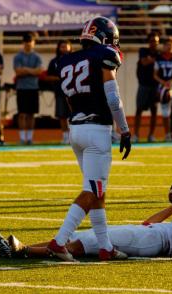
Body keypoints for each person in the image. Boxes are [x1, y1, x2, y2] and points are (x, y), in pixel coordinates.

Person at [48, 16, 132, 262]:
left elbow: (68, 99)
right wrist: (124, 130)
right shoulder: (104, 55)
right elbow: (113, 98)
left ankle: (105, 247)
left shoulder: (65, 60)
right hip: (96, 130)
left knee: (98, 190)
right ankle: (59, 241)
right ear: (106, 38)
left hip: (76, 129)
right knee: (92, 190)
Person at [0, 185, 172, 259]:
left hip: (155, 243)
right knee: (81, 236)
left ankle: (21, 251)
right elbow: (147, 223)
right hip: (148, 234)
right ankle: (22, 247)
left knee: (87, 242)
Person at [14, 32, 43, 145]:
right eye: (26, 42)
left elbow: (39, 71)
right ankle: (22, 138)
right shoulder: (18, 56)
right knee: (22, 114)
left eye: (30, 42)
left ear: (33, 43)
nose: (28, 44)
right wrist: (32, 71)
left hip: (33, 88)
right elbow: (17, 72)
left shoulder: (37, 56)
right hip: (21, 88)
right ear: (23, 43)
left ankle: (30, 138)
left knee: (31, 114)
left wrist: (25, 70)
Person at [134, 32, 160, 143]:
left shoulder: (159, 53)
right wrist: (152, 60)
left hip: (155, 85)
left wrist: (151, 60)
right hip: (144, 84)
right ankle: (135, 134)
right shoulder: (143, 51)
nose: (154, 43)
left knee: (154, 110)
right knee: (139, 110)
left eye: (156, 41)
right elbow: (144, 62)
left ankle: (151, 135)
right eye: (152, 41)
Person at [45, 40, 73, 144]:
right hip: (60, 92)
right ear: (58, 48)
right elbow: (47, 77)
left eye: (66, 46)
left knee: (73, 115)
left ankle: (73, 136)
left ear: (70, 47)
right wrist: (59, 78)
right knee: (62, 115)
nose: (64, 49)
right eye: (62, 47)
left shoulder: (74, 59)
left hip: (73, 92)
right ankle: (65, 136)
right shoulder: (54, 61)